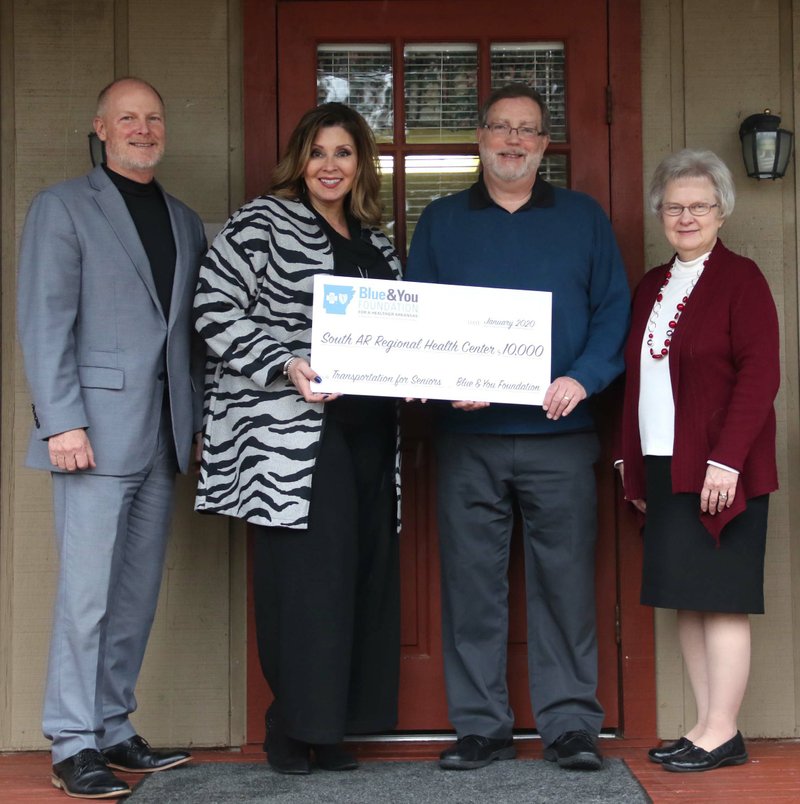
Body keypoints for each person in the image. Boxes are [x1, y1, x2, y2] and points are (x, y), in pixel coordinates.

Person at [405, 83, 630, 772]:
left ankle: (569, 726)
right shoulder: (442, 221)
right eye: (501, 128)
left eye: (527, 130)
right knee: (472, 587)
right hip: (468, 441)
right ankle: (481, 727)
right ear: (480, 138)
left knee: (565, 586)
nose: (513, 141)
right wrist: (448, 384)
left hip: (559, 438)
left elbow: (614, 312)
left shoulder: (584, 219)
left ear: (543, 143)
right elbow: (417, 319)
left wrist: (582, 378)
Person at [194, 102, 402, 775]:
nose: (331, 166)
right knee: (307, 584)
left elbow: (404, 332)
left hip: (372, 430)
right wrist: (285, 362)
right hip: (291, 438)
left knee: (360, 578)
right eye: (319, 153)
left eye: (344, 153)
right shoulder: (263, 223)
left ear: (360, 164)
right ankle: (291, 729)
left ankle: (337, 728)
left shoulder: (378, 239)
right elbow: (212, 308)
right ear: (299, 161)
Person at [17, 77, 206, 799]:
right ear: (101, 127)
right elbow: (45, 320)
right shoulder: (63, 207)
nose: (143, 128)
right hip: (90, 435)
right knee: (86, 594)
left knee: (132, 596)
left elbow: (186, 338)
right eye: (128, 117)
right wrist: (62, 418)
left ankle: (113, 725)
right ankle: (71, 741)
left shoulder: (185, 220)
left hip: (162, 438)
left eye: (154, 117)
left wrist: (190, 425)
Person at [616, 149, 779, 773]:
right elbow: (636, 386)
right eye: (675, 206)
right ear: (660, 213)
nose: (686, 217)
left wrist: (727, 461)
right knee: (686, 596)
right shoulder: (652, 285)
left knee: (722, 598)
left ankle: (722, 730)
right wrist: (631, 466)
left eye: (699, 206)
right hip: (664, 464)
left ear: (721, 212)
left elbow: (760, 376)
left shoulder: (742, 280)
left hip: (721, 468)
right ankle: (705, 726)